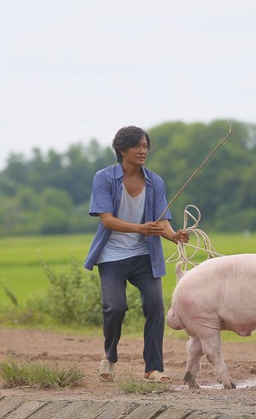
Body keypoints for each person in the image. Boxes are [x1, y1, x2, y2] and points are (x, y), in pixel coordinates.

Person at [84, 126, 189, 383]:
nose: (143, 151)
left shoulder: (155, 181)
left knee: (155, 305)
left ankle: (153, 369)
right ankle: (109, 357)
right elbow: (107, 221)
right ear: (122, 149)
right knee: (115, 307)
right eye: (137, 146)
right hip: (111, 255)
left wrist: (174, 236)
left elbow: (161, 223)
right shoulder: (104, 178)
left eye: (145, 146)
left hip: (144, 255)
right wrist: (140, 228)